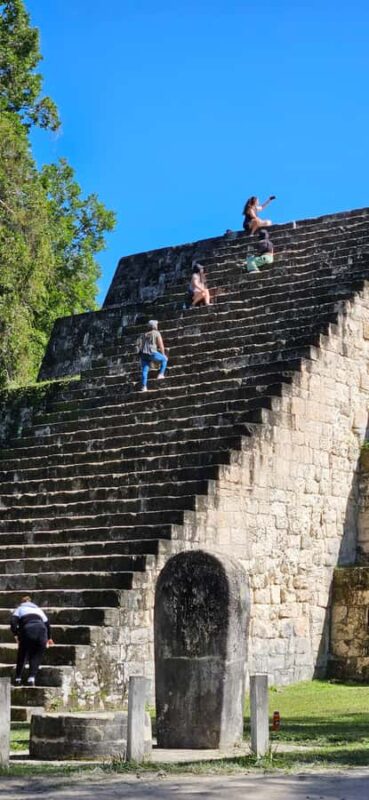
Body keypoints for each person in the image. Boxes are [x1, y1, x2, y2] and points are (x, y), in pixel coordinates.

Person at [10, 596, 53, 686]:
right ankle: (31, 679)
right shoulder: (38, 610)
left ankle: (18, 678)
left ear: (22, 602)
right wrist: (49, 638)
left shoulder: (19, 609)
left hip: (28, 629)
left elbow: (13, 622)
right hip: (42, 630)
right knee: (36, 655)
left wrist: (16, 634)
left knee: (23, 654)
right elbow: (47, 624)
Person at [139, 320, 168, 392]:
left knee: (145, 370)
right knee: (164, 359)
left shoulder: (144, 334)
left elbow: (141, 345)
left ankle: (144, 386)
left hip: (143, 354)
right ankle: (161, 374)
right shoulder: (156, 333)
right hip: (152, 352)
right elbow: (161, 345)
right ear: (154, 326)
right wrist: (163, 354)